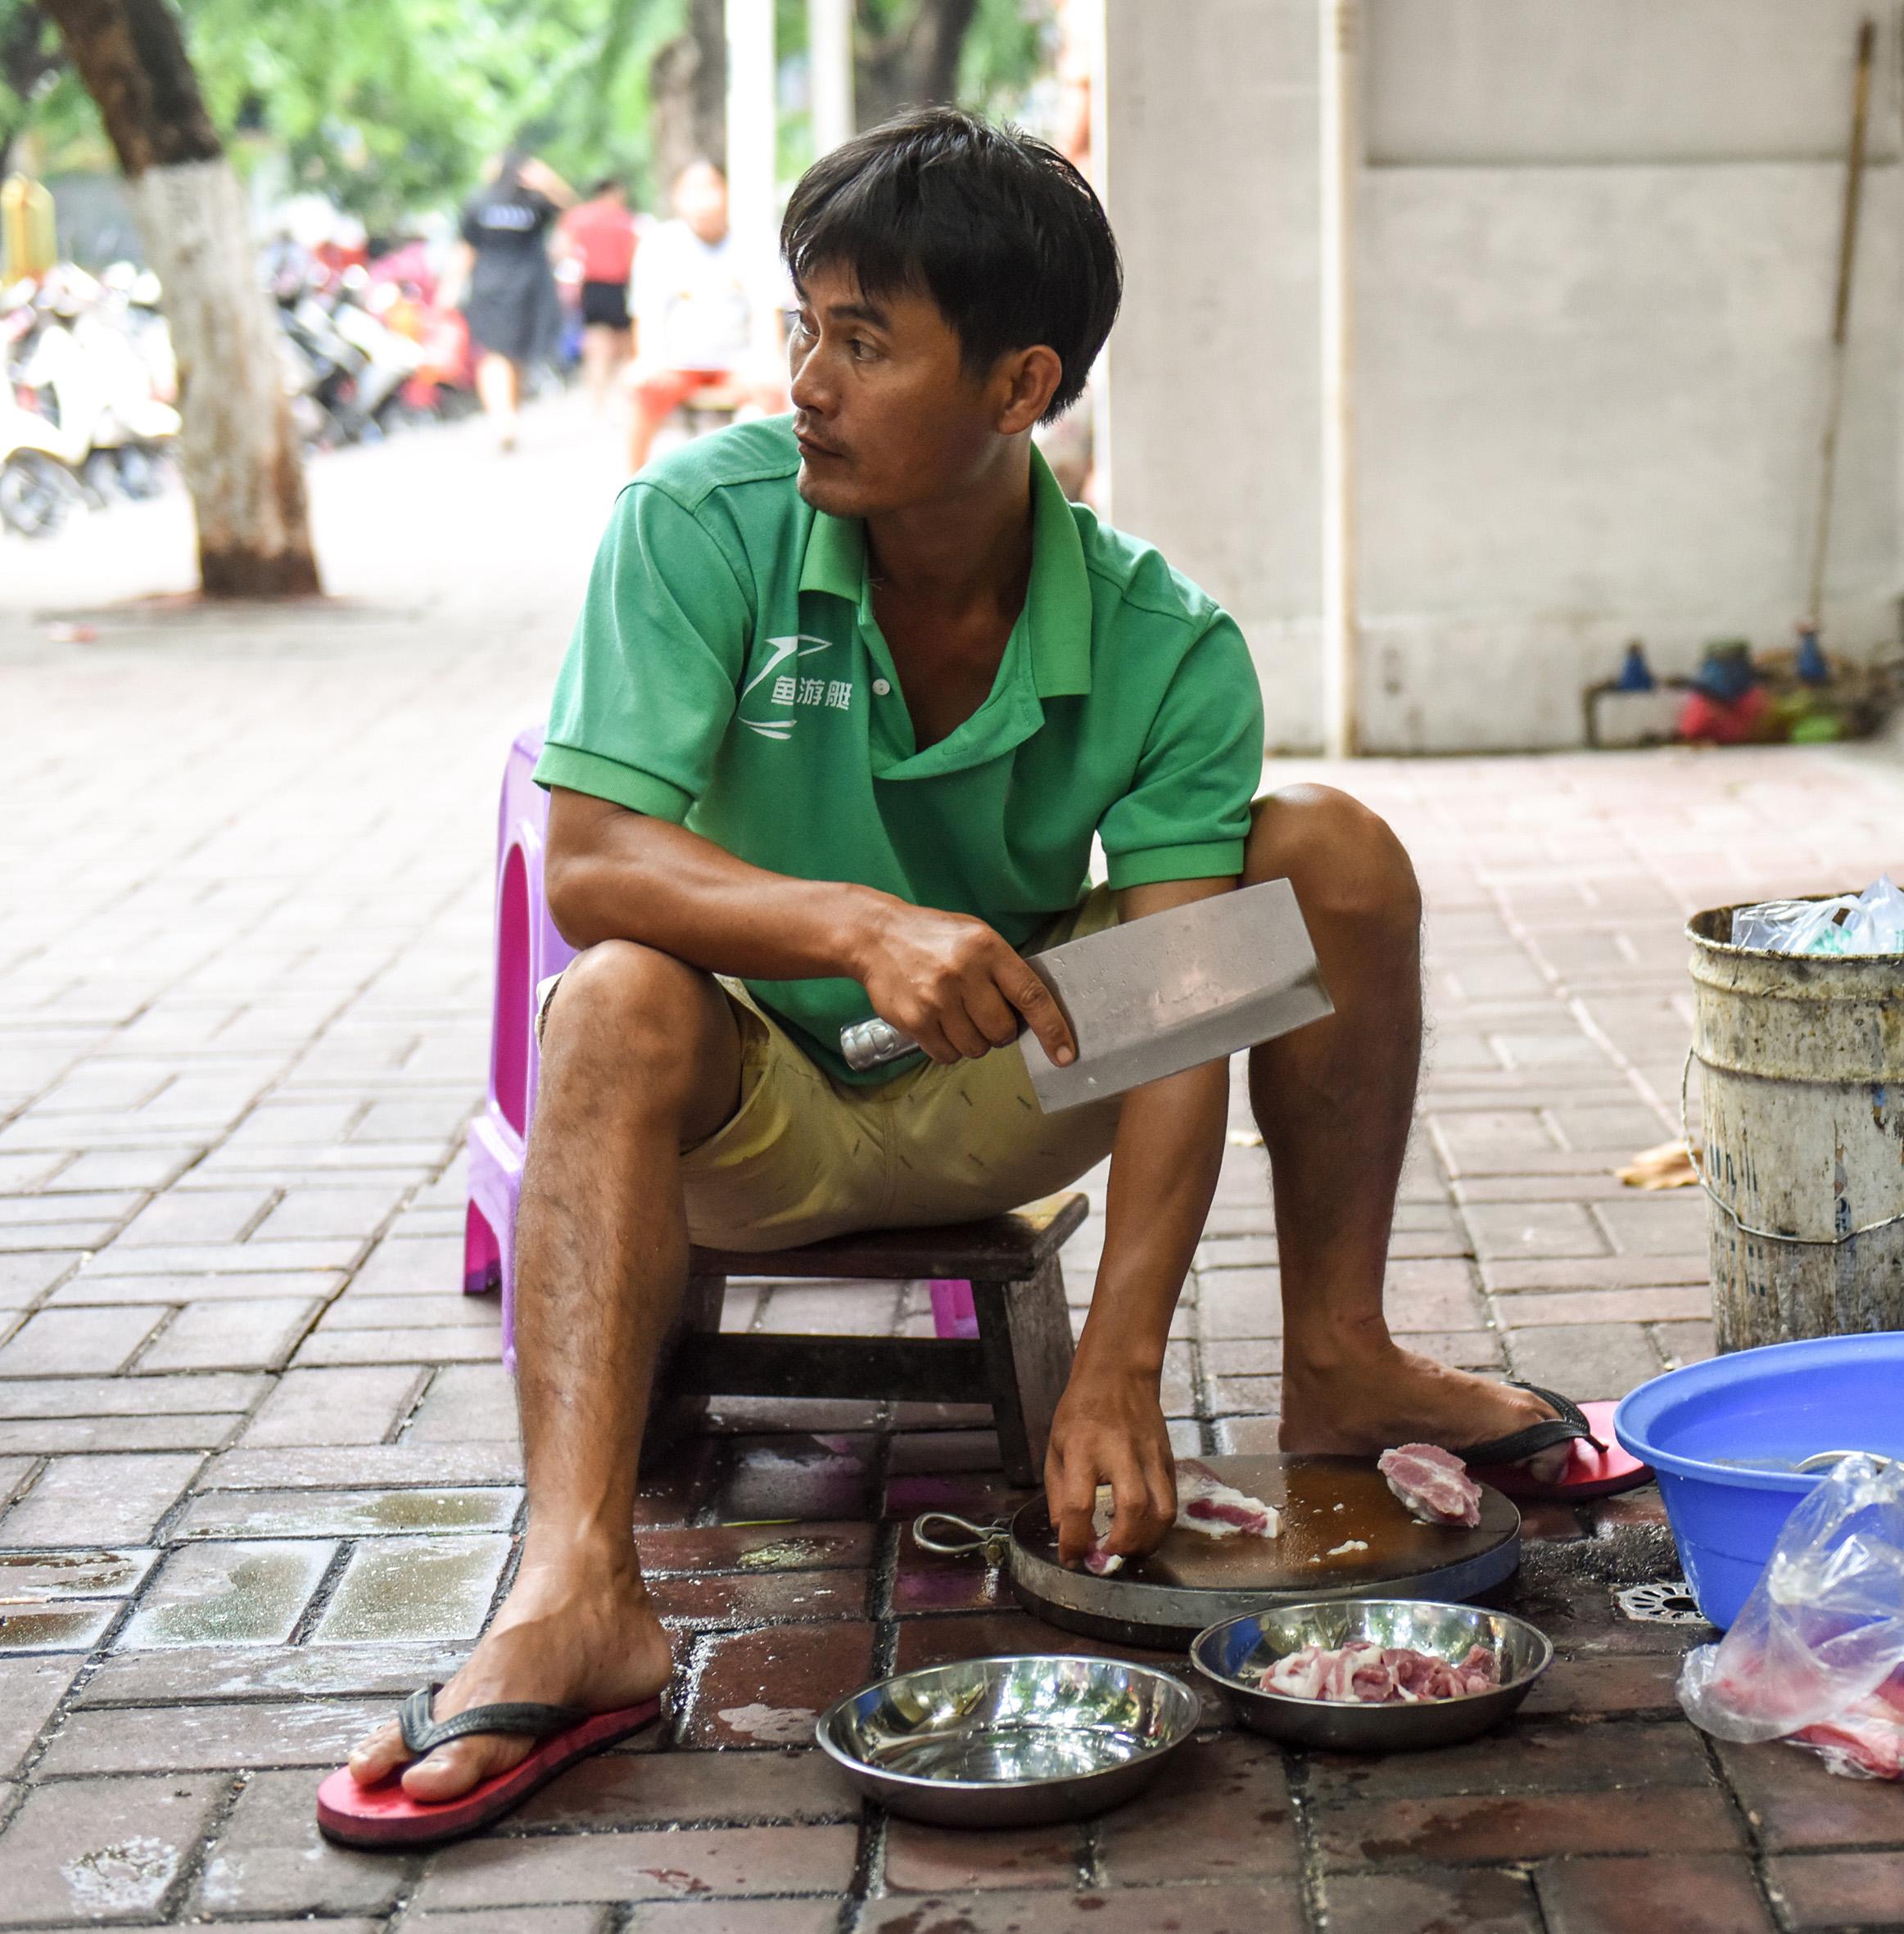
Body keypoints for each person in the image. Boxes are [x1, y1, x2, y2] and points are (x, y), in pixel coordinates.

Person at [324, 106, 1644, 1841]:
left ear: (1020, 388)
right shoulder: (697, 523)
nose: (806, 377)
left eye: (863, 343)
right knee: (614, 992)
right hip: (744, 1110)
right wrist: (854, 922)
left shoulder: (1161, 635)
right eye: (805, 324)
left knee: (1323, 852)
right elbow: (586, 862)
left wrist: (1119, 1361)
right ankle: (578, 1585)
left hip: (1004, 1092)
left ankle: (1337, 1353)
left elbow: (1185, 995)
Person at [622, 159, 783, 471]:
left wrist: (768, 360)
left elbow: (765, 311)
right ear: (677, 198)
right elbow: (648, 313)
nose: (702, 200)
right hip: (676, 364)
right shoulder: (659, 244)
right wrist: (648, 360)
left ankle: (771, 484)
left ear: (725, 191)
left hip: (737, 362)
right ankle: (633, 484)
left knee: (771, 395)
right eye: (691, 190)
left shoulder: (753, 242)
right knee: (640, 390)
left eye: (709, 188)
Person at [453, 149, 572, 451]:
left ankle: (505, 418)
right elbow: (570, 207)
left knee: (503, 354)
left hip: (499, 285)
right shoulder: (524, 203)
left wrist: (451, 287)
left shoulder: (486, 201)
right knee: (500, 353)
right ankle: (504, 420)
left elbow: (467, 247)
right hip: (523, 287)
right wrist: (550, 182)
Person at [559, 176, 638, 409]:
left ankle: (599, 403)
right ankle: (622, 401)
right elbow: (632, 255)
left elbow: (564, 248)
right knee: (625, 346)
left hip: (591, 287)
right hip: (617, 286)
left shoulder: (579, 217)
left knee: (596, 346)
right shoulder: (624, 220)